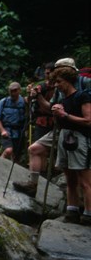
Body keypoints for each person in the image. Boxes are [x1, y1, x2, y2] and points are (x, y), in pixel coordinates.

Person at [13, 57, 88, 197]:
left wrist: (64, 114)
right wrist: (39, 96)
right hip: (61, 129)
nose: (53, 78)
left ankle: (82, 207)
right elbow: (50, 107)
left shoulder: (84, 84)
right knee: (34, 149)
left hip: (80, 131)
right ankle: (33, 185)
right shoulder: (58, 87)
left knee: (78, 172)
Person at [48, 65, 91, 225]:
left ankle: (88, 213)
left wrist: (65, 114)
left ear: (67, 81)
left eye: (59, 82)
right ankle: (72, 210)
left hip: (79, 139)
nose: (56, 85)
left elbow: (88, 120)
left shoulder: (83, 96)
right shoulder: (63, 100)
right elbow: (61, 122)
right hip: (64, 138)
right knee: (70, 179)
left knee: (86, 180)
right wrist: (57, 114)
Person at [0, 82, 26, 160]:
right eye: (11, 91)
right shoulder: (4, 102)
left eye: (15, 90)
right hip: (7, 130)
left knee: (16, 156)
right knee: (8, 151)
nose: (13, 93)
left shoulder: (24, 102)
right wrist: (2, 131)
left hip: (19, 132)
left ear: (19, 90)